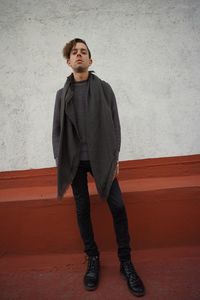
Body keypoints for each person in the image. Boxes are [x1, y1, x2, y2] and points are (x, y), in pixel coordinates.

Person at [52, 38, 145, 297]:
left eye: (83, 52)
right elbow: (57, 132)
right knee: (82, 209)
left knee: (117, 205)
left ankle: (126, 262)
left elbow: (115, 124)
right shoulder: (62, 95)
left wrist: (115, 158)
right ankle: (92, 258)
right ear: (69, 61)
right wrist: (62, 163)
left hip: (102, 158)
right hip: (75, 162)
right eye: (74, 52)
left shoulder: (105, 89)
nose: (79, 55)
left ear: (90, 61)